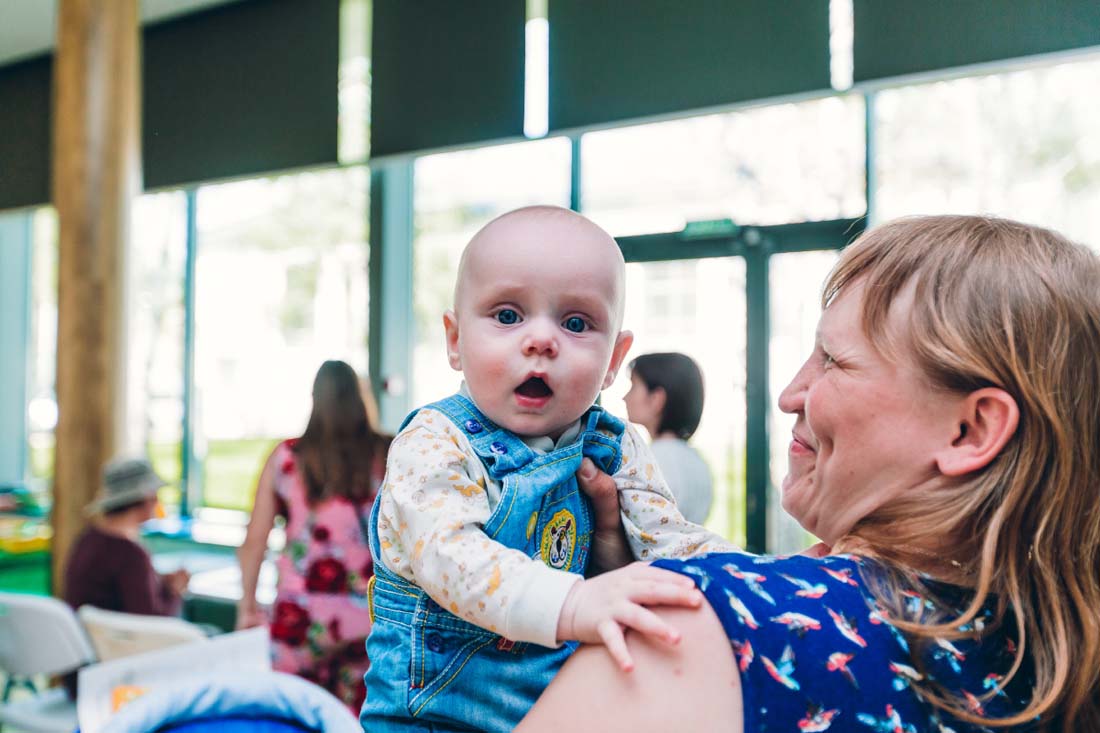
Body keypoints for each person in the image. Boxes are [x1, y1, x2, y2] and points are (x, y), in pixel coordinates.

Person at [519, 215, 1100, 732]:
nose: (790, 394)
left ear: (970, 431)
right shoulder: (1057, 664)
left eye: (834, 361)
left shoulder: (706, 631)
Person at [362, 206, 734, 733]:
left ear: (613, 360)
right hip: (433, 716)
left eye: (576, 323)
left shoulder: (614, 445)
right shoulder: (434, 440)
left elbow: (668, 538)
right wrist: (575, 602)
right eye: (507, 316)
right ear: (455, 340)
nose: (541, 341)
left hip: (562, 709)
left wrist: (757, 578)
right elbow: (449, 555)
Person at [237, 360, 391, 713]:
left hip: (300, 618)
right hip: (370, 615)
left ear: (315, 399)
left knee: (297, 716)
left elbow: (254, 542)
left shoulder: (287, 458)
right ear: (361, 398)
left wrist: (247, 606)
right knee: (357, 720)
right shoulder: (388, 453)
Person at [64, 456, 189, 617]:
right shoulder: (132, 555)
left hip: (87, 632)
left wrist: (159, 583)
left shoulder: (87, 539)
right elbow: (151, 622)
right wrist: (175, 591)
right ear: (146, 499)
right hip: (121, 634)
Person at [623, 352, 713, 524]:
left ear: (656, 399)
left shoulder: (648, 461)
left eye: (633, 386)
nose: (625, 397)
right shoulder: (698, 461)